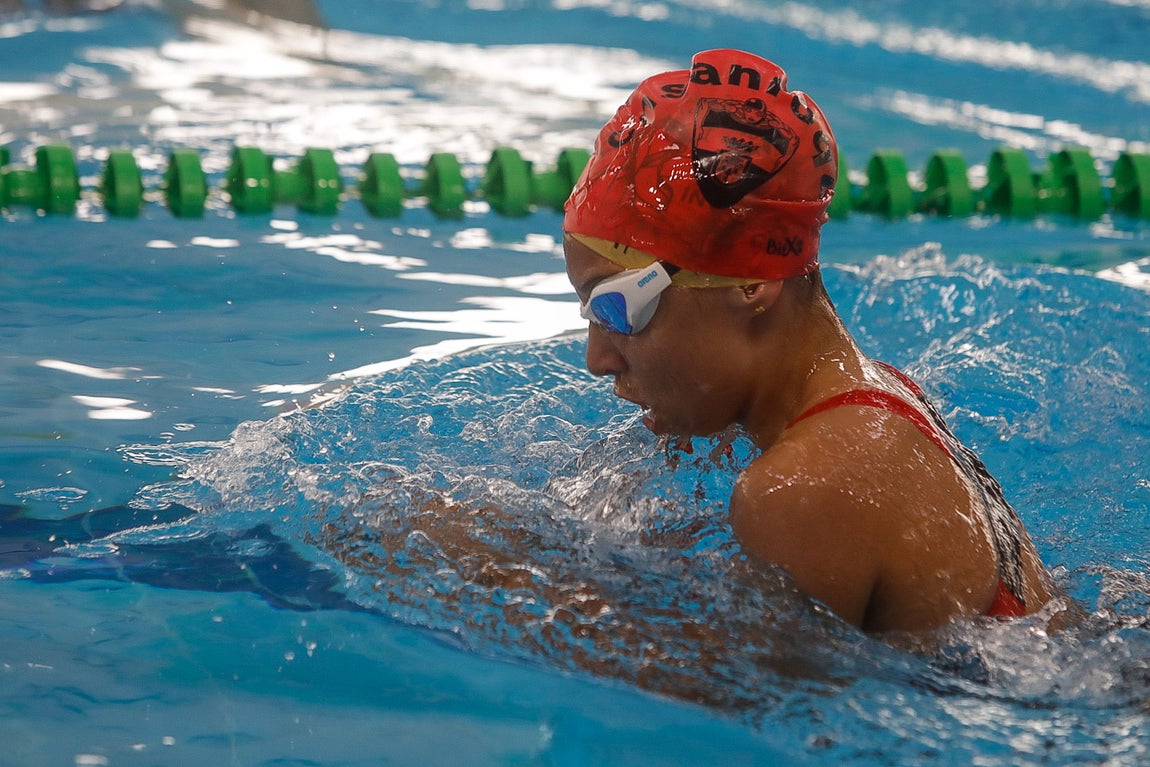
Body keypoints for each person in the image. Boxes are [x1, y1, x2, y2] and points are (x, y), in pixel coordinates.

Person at [562, 48, 1053, 634]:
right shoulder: (875, 396)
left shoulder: (802, 489)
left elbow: (756, 706)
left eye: (618, 309)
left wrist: (507, 584)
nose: (598, 359)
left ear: (751, 284)